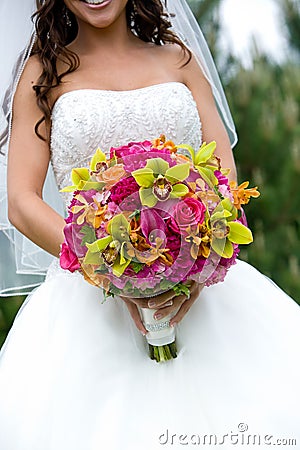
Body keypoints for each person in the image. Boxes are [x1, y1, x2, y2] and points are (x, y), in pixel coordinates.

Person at [0, 1, 299, 449]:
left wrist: (193, 268)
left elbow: (224, 179)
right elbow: (22, 203)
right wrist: (106, 266)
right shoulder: (43, 74)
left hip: (201, 293)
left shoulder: (178, 60)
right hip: (89, 298)